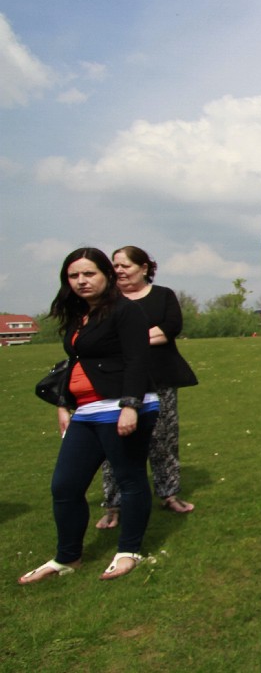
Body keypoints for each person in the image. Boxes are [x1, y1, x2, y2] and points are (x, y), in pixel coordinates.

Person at [19, 248, 160, 584]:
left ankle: (128, 551)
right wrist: (63, 404)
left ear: (107, 275)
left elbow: (138, 359)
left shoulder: (126, 311)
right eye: (73, 275)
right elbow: (75, 363)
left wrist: (130, 405)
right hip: (85, 411)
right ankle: (67, 557)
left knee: (129, 478)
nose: (81, 281)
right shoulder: (78, 314)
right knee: (65, 485)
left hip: (121, 407)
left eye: (89, 273)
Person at [95, 245, 197, 530]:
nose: (119, 270)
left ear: (144, 268)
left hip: (160, 379)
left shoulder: (163, 296)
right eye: (115, 266)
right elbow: (100, 337)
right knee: (113, 443)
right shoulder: (106, 301)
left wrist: (127, 340)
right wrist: (140, 338)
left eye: (125, 265)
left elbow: (170, 328)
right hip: (117, 383)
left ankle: (169, 494)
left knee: (164, 440)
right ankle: (113, 505)